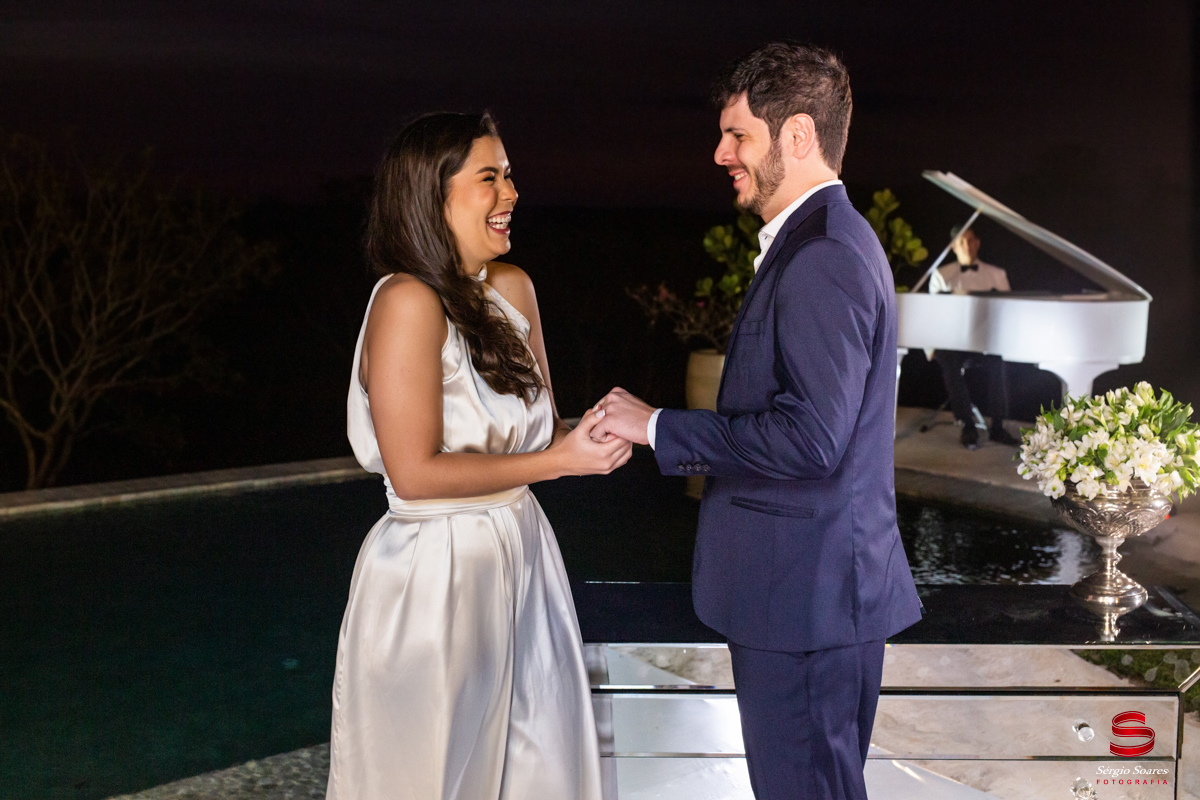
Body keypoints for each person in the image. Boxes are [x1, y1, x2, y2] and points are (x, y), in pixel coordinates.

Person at [592, 43, 922, 800]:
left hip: (805, 602)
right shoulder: (825, 239)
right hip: (811, 596)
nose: (721, 154)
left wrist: (658, 426)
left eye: (737, 135)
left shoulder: (824, 255)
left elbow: (811, 438)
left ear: (798, 135)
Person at [326, 112, 629, 800]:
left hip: (524, 554)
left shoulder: (513, 288)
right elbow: (415, 473)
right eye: (489, 177)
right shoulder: (406, 300)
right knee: (433, 776)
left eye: (510, 175)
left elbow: (542, 433)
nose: (511, 193)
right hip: (436, 575)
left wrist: (608, 427)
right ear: (431, 196)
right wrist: (559, 464)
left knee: (537, 769)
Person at [929, 227, 1021, 449]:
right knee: (947, 360)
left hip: (986, 342)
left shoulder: (996, 274)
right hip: (954, 343)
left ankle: (998, 427)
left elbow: (1007, 312)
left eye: (970, 241)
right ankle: (967, 425)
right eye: (961, 242)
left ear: (977, 243)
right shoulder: (941, 275)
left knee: (998, 361)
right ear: (953, 246)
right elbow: (933, 316)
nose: (967, 246)